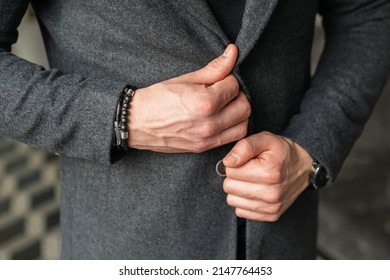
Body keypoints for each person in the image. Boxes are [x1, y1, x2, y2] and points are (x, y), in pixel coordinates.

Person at [0, 0, 389, 260]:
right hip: (124, 244)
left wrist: (310, 148)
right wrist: (121, 117)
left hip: (285, 238)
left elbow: (368, 14)